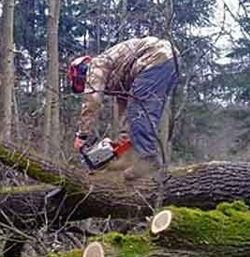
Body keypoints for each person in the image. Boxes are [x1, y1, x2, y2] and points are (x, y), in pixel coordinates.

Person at [67, 36, 178, 180]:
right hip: (170, 59)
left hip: (155, 56)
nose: (86, 86)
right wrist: (123, 142)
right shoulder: (119, 78)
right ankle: (140, 163)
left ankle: (148, 159)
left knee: (140, 112)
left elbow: (92, 101)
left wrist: (82, 135)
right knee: (144, 112)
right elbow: (124, 110)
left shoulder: (95, 66)